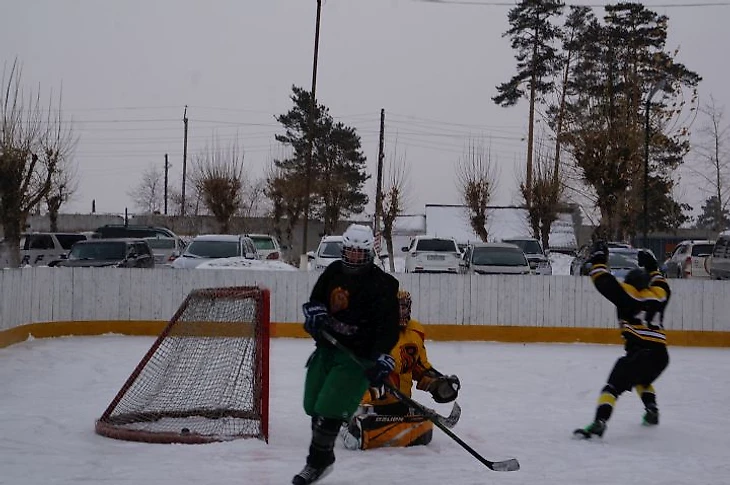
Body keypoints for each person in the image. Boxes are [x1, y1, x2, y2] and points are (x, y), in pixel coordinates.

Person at [292, 224, 400, 485]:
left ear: (369, 254)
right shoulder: (332, 272)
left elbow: (388, 328)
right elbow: (316, 301)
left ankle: (317, 462)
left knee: (330, 407)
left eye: (358, 253)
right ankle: (325, 450)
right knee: (313, 404)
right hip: (328, 349)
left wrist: (381, 357)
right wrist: (314, 318)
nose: (353, 258)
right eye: (349, 252)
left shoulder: (383, 284)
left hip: (357, 357)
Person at [340, 288, 461, 450]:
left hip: (398, 404)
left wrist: (436, 384)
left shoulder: (415, 331)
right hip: (368, 404)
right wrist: (375, 388)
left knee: (422, 430)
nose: (400, 312)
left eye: (403, 307)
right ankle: (347, 421)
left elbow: (418, 367)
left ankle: (373, 429)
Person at [574, 240, 671, 439]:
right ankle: (652, 410)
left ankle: (600, 422)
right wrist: (652, 267)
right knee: (642, 379)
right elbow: (663, 284)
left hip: (639, 353)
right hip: (661, 356)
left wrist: (599, 259)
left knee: (612, 388)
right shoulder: (659, 295)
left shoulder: (630, 295)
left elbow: (605, 282)